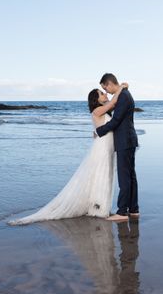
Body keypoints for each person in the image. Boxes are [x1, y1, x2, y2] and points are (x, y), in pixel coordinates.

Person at [8, 83, 127, 225]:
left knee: (105, 176)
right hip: (101, 149)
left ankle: (99, 206)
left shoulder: (103, 111)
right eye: (102, 93)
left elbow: (109, 116)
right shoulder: (98, 110)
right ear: (96, 99)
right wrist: (121, 87)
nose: (105, 95)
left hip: (106, 147)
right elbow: (114, 102)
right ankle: (98, 208)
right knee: (100, 176)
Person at [95, 73, 139, 222]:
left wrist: (98, 131)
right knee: (131, 176)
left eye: (104, 88)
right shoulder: (125, 94)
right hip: (128, 140)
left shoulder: (123, 96)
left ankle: (122, 211)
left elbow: (116, 121)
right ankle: (133, 209)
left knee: (124, 177)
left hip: (125, 141)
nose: (106, 92)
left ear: (109, 83)